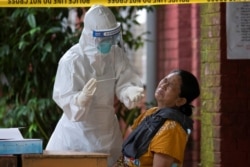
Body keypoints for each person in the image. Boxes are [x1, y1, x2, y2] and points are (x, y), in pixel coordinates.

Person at [46, 5, 144, 167]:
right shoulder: (72, 60)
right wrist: (79, 100)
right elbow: (64, 98)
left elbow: (124, 80)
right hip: (76, 136)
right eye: (104, 37)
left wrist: (128, 90)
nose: (110, 42)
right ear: (90, 35)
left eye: (112, 36)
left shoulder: (115, 54)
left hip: (107, 132)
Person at [115, 69, 200, 167]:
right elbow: (126, 155)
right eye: (165, 80)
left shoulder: (172, 128)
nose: (163, 86)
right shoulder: (151, 113)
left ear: (180, 101)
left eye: (171, 85)